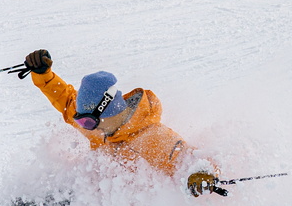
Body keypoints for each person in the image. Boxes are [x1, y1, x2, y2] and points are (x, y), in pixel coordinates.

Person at [21, 49, 221, 197]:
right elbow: (66, 100)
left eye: (88, 122)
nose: (85, 127)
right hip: (96, 196)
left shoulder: (154, 139)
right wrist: (43, 74)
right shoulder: (96, 123)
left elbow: (192, 160)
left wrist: (203, 174)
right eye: (80, 121)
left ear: (107, 108)